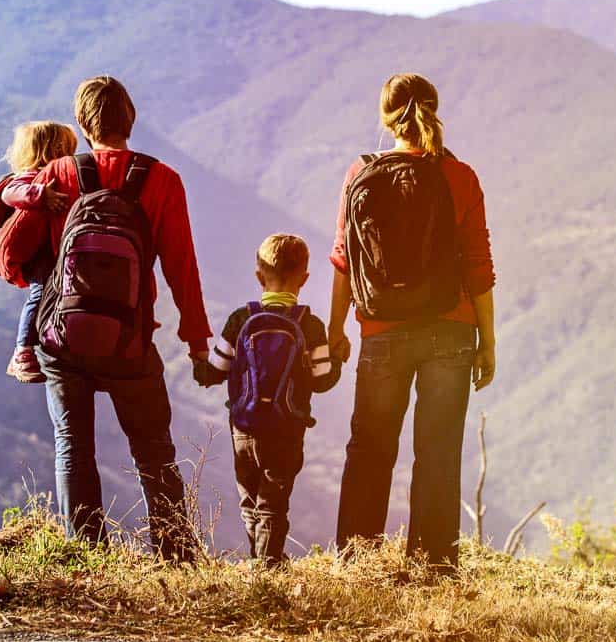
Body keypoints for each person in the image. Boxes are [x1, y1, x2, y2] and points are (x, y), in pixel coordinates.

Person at [0, 76, 211, 563]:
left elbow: (10, 252)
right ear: (130, 120)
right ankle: (177, 557)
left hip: (62, 340)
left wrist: (37, 271)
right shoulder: (162, 180)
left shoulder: (57, 174)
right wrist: (197, 341)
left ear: (82, 122)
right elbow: (183, 269)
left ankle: (88, 559)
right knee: (154, 450)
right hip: (131, 343)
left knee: (73, 446)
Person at [328, 72, 497, 572]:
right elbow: (479, 265)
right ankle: (433, 567)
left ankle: (357, 563)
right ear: (435, 110)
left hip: (381, 331)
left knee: (370, 450)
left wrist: (337, 327)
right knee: (438, 452)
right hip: (451, 330)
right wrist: (487, 341)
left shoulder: (361, 172)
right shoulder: (459, 175)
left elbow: (344, 259)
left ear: (386, 118)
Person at [193, 234, 340, 565]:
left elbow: (213, 373)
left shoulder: (240, 319)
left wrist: (196, 362)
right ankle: (269, 563)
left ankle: (260, 558)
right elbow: (322, 381)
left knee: (250, 498)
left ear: (259, 275)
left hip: (244, 429)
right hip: (287, 430)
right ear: (304, 278)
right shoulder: (310, 325)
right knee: (274, 500)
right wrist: (339, 360)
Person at [0, 121, 75, 383]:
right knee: (40, 293)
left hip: (55, 251)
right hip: (38, 254)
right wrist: (40, 194)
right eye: (64, 148)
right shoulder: (30, 177)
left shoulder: (61, 177)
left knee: (54, 296)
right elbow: (10, 194)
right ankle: (23, 351)